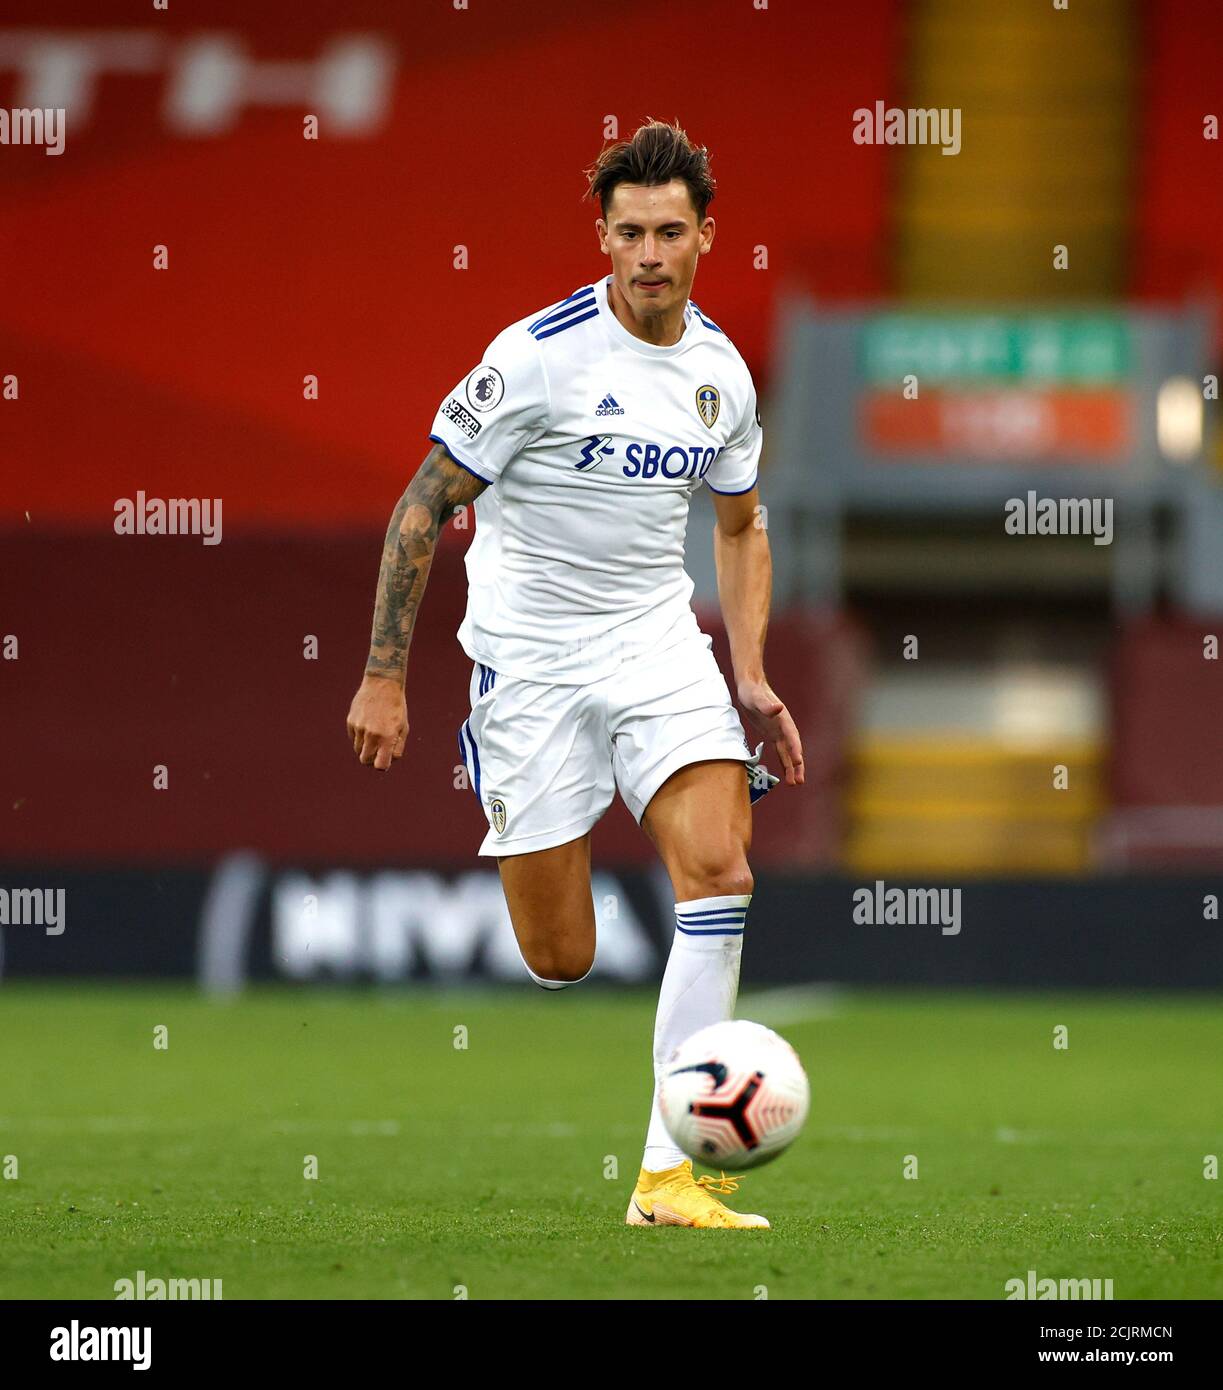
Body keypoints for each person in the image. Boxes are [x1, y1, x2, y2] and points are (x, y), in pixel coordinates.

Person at [346, 118, 804, 1228]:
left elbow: (739, 528)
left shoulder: (720, 376)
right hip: (531, 661)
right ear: (601, 238)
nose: (649, 252)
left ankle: (665, 1175)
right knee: (560, 956)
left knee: (719, 872)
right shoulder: (536, 356)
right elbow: (422, 502)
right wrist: (382, 675)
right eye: (629, 232)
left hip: (656, 643)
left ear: (706, 238)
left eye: (669, 231)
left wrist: (746, 671)